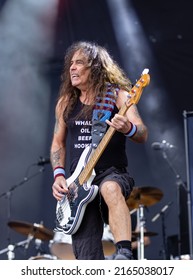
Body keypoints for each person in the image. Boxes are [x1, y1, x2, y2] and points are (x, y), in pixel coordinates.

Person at [50, 41, 148, 260]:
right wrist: (58, 176)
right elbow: (58, 142)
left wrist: (128, 128)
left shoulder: (118, 96)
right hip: (79, 182)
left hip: (111, 170)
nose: (72, 68)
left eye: (79, 63)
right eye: (71, 64)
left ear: (94, 67)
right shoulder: (65, 103)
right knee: (87, 259)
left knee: (110, 188)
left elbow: (142, 133)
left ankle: (124, 252)